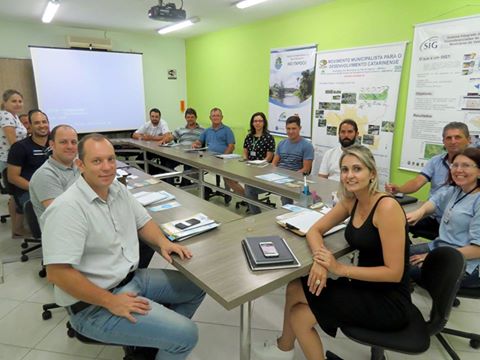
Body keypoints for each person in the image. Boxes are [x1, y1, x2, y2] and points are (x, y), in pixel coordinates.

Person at [42, 134, 206, 360]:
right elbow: (57, 273)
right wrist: (111, 302)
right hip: (93, 306)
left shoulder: (117, 189)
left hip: (130, 279)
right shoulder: (68, 208)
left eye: (111, 159)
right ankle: (170, 340)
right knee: (187, 335)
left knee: (196, 288)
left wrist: (163, 242)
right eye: (97, 161)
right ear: (80, 165)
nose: (107, 167)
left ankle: (154, 345)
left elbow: (143, 221)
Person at [254, 145, 411, 360]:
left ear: (372, 173)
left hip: (388, 299)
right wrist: (321, 260)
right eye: (345, 170)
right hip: (363, 285)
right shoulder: (352, 200)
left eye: (357, 169)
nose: (349, 175)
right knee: (294, 287)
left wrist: (338, 268)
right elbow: (315, 230)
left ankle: (284, 347)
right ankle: (284, 348)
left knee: (299, 316)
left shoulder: (387, 208)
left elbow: (394, 273)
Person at [407, 147, 480, 288]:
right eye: (455, 165)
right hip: (440, 247)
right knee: (396, 255)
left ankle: (443, 295)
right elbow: (434, 202)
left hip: (466, 261)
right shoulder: (455, 191)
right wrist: (420, 212)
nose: (458, 170)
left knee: (404, 268)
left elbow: (477, 249)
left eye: (466, 165)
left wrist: (434, 258)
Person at [385, 122, 471, 239]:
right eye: (449, 138)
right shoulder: (436, 162)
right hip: (434, 216)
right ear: (443, 141)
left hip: (460, 225)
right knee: (394, 224)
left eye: (458, 137)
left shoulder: (476, 166)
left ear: (469, 139)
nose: (453, 141)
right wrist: (399, 189)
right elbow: (417, 182)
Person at [7, 109, 50, 235]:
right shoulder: (20, 147)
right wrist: (36, 189)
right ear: (29, 127)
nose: (42, 125)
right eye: (37, 123)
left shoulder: (55, 144)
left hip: (53, 188)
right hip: (28, 191)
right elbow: (12, 177)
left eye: (44, 121)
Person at [29, 125, 80, 223]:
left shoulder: (79, 165)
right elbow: (62, 215)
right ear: (52, 144)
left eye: (73, 142)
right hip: (65, 232)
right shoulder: (45, 175)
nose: (70, 146)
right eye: (63, 142)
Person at [192, 107, 244, 198]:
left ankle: (246, 198)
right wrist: (196, 144)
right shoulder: (207, 130)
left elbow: (231, 146)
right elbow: (199, 141)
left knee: (229, 179)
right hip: (209, 159)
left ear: (222, 117)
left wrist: (222, 157)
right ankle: (207, 190)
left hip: (224, 160)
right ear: (210, 118)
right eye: (213, 116)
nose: (215, 117)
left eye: (218, 116)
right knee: (193, 172)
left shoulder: (227, 130)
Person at [0, 89, 28, 237]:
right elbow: (13, 143)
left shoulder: (13, 116)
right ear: (5, 103)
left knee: (14, 195)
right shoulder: (5, 116)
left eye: (20, 101)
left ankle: (16, 228)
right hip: (10, 160)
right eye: (14, 101)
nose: (18, 104)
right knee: (16, 195)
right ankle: (17, 229)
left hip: (13, 158)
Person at [272, 115, 314, 206]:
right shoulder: (281, 143)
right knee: (250, 187)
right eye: (288, 128)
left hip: (294, 179)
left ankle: (286, 216)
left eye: (294, 128)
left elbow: (306, 169)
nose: (290, 131)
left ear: (300, 128)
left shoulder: (307, 146)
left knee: (286, 195)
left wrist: (288, 178)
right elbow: (274, 164)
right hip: (278, 177)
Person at [160, 108, 204, 187]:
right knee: (167, 163)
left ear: (196, 117)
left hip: (193, 155)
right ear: (185, 118)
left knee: (188, 164)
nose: (190, 119)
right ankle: (171, 186)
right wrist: (164, 141)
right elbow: (171, 137)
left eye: (192, 117)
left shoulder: (202, 130)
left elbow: (205, 141)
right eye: (188, 117)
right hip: (180, 154)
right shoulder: (180, 129)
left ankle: (184, 185)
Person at [243, 112, 276, 213]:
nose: (257, 123)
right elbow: (245, 151)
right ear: (252, 123)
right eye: (255, 121)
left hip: (263, 169)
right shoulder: (249, 137)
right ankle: (252, 205)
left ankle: (256, 213)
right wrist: (246, 160)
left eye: (260, 121)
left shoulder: (269, 138)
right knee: (248, 187)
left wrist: (260, 164)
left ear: (264, 123)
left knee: (249, 189)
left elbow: (269, 156)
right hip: (249, 168)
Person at [132, 108, 173, 178]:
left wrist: (151, 138)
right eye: (152, 116)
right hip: (151, 149)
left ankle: (162, 175)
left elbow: (168, 136)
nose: (154, 118)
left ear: (160, 117)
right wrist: (143, 137)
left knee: (165, 164)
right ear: (150, 116)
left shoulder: (163, 123)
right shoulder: (147, 124)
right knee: (140, 159)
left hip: (163, 149)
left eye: (156, 117)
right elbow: (134, 135)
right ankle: (157, 173)